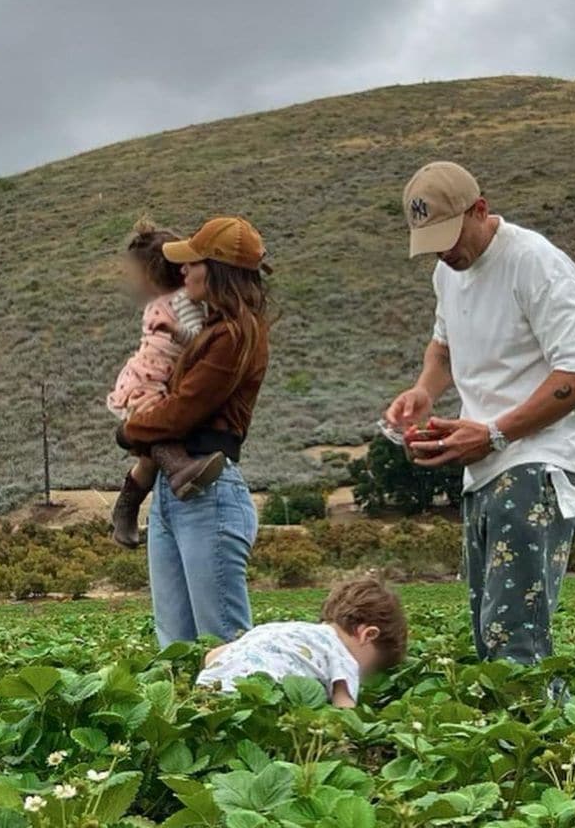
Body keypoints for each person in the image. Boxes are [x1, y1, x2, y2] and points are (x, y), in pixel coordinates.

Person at [385, 161, 575, 670]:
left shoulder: (536, 263)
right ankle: (521, 738)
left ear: (480, 210)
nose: (443, 251)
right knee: (491, 637)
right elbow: (442, 348)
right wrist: (423, 391)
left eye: (449, 236)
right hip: (484, 467)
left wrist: (495, 434)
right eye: (432, 242)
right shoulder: (448, 271)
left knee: (513, 640)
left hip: (541, 466)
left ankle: (536, 743)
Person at [120, 216, 271, 648]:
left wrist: (130, 430)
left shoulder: (236, 335)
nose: (183, 272)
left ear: (219, 269)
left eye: (193, 263)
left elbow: (181, 414)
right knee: (177, 649)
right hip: (176, 492)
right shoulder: (210, 330)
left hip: (210, 493)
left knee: (222, 644)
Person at [106, 220, 226, 549]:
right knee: (155, 435)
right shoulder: (167, 302)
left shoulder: (183, 302)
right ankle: (181, 471)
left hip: (157, 378)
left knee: (148, 456)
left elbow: (196, 339)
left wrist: (174, 332)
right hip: (148, 380)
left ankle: (125, 512)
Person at [196, 575, 407, 707]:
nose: (361, 676)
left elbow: (212, 655)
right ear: (367, 635)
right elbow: (344, 709)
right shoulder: (342, 654)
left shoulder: (284, 629)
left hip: (206, 690)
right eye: (369, 667)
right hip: (252, 703)